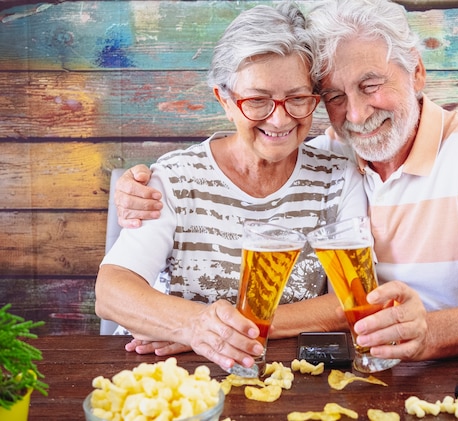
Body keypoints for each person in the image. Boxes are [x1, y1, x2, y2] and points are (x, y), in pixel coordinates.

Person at [114, 0, 458, 362]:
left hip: (451, 366)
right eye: (336, 96)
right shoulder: (333, 154)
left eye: (371, 85)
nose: (357, 115)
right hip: (348, 368)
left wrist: (429, 333)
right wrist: (135, 187)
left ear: (416, 72)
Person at [95, 3, 372, 373]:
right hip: (176, 378)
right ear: (224, 99)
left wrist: (216, 330)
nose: (279, 118)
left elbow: (348, 302)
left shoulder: (340, 178)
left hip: (290, 380)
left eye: (297, 99)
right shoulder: (175, 178)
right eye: (257, 100)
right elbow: (111, 292)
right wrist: (194, 327)